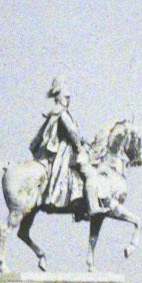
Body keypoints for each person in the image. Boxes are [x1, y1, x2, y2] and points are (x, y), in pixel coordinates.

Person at [30, 81, 95, 214]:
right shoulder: (61, 113)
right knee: (83, 169)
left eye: (69, 97)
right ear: (59, 97)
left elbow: (75, 133)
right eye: (66, 97)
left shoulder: (62, 112)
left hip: (68, 146)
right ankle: (83, 205)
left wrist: (84, 140)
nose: (69, 100)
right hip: (65, 149)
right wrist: (80, 148)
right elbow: (71, 132)